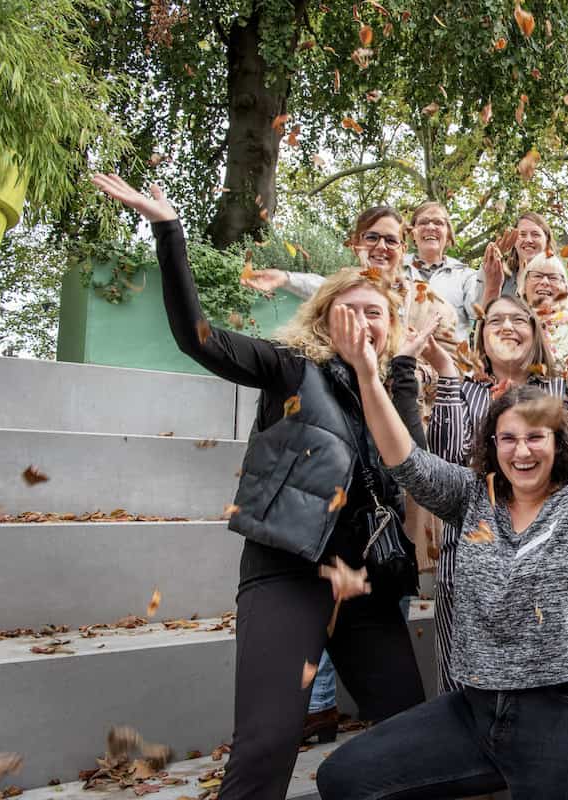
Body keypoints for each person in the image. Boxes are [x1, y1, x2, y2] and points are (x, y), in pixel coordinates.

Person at [91, 174, 427, 800]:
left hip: (365, 583)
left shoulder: (389, 388)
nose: (362, 323)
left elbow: (411, 463)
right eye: (349, 310)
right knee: (268, 745)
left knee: (416, 736)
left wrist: (395, 369)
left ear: (391, 328)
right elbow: (198, 338)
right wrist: (169, 231)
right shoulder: (289, 367)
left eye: (375, 314)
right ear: (323, 318)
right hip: (288, 571)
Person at [315, 299, 568, 799]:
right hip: (477, 710)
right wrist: (367, 373)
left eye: (535, 437)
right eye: (507, 439)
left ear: (558, 443)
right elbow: (406, 460)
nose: (522, 450)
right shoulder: (470, 495)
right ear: (492, 444)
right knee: (345, 777)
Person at [418, 293, 568, 692]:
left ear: (535, 333)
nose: (507, 327)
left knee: (547, 691)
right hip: (472, 554)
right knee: (464, 690)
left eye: (519, 319)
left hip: (550, 562)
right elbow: (446, 463)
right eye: (496, 320)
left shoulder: (561, 387)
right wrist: (447, 374)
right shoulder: (462, 389)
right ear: (480, 337)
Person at [244, 201, 481, 340]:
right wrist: (285, 277)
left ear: (402, 248)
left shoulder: (425, 297)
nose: (381, 247)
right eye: (372, 237)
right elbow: (327, 286)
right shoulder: (346, 287)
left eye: (390, 240)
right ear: (356, 243)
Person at [518, 252, 568, 360]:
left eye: (553, 278)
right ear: (524, 286)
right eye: (537, 276)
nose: (545, 282)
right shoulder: (509, 320)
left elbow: (563, 366)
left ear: (565, 289)